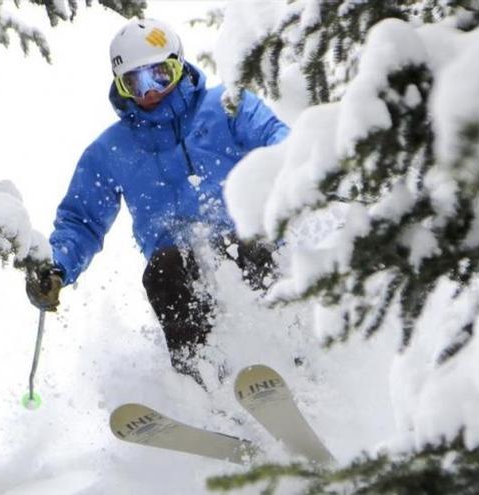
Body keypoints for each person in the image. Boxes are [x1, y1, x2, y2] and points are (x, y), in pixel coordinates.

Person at [26, 18, 289, 384]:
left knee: (252, 247)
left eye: (159, 76)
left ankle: (296, 358)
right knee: (163, 271)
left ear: (178, 65)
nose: (149, 91)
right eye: (134, 82)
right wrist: (57, 267)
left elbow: (280, 142)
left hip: (246, 239)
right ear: (121, 87)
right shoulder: (113, 149)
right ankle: (203, 390)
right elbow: (81, 219)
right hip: (181, 260)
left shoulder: (228, 106)